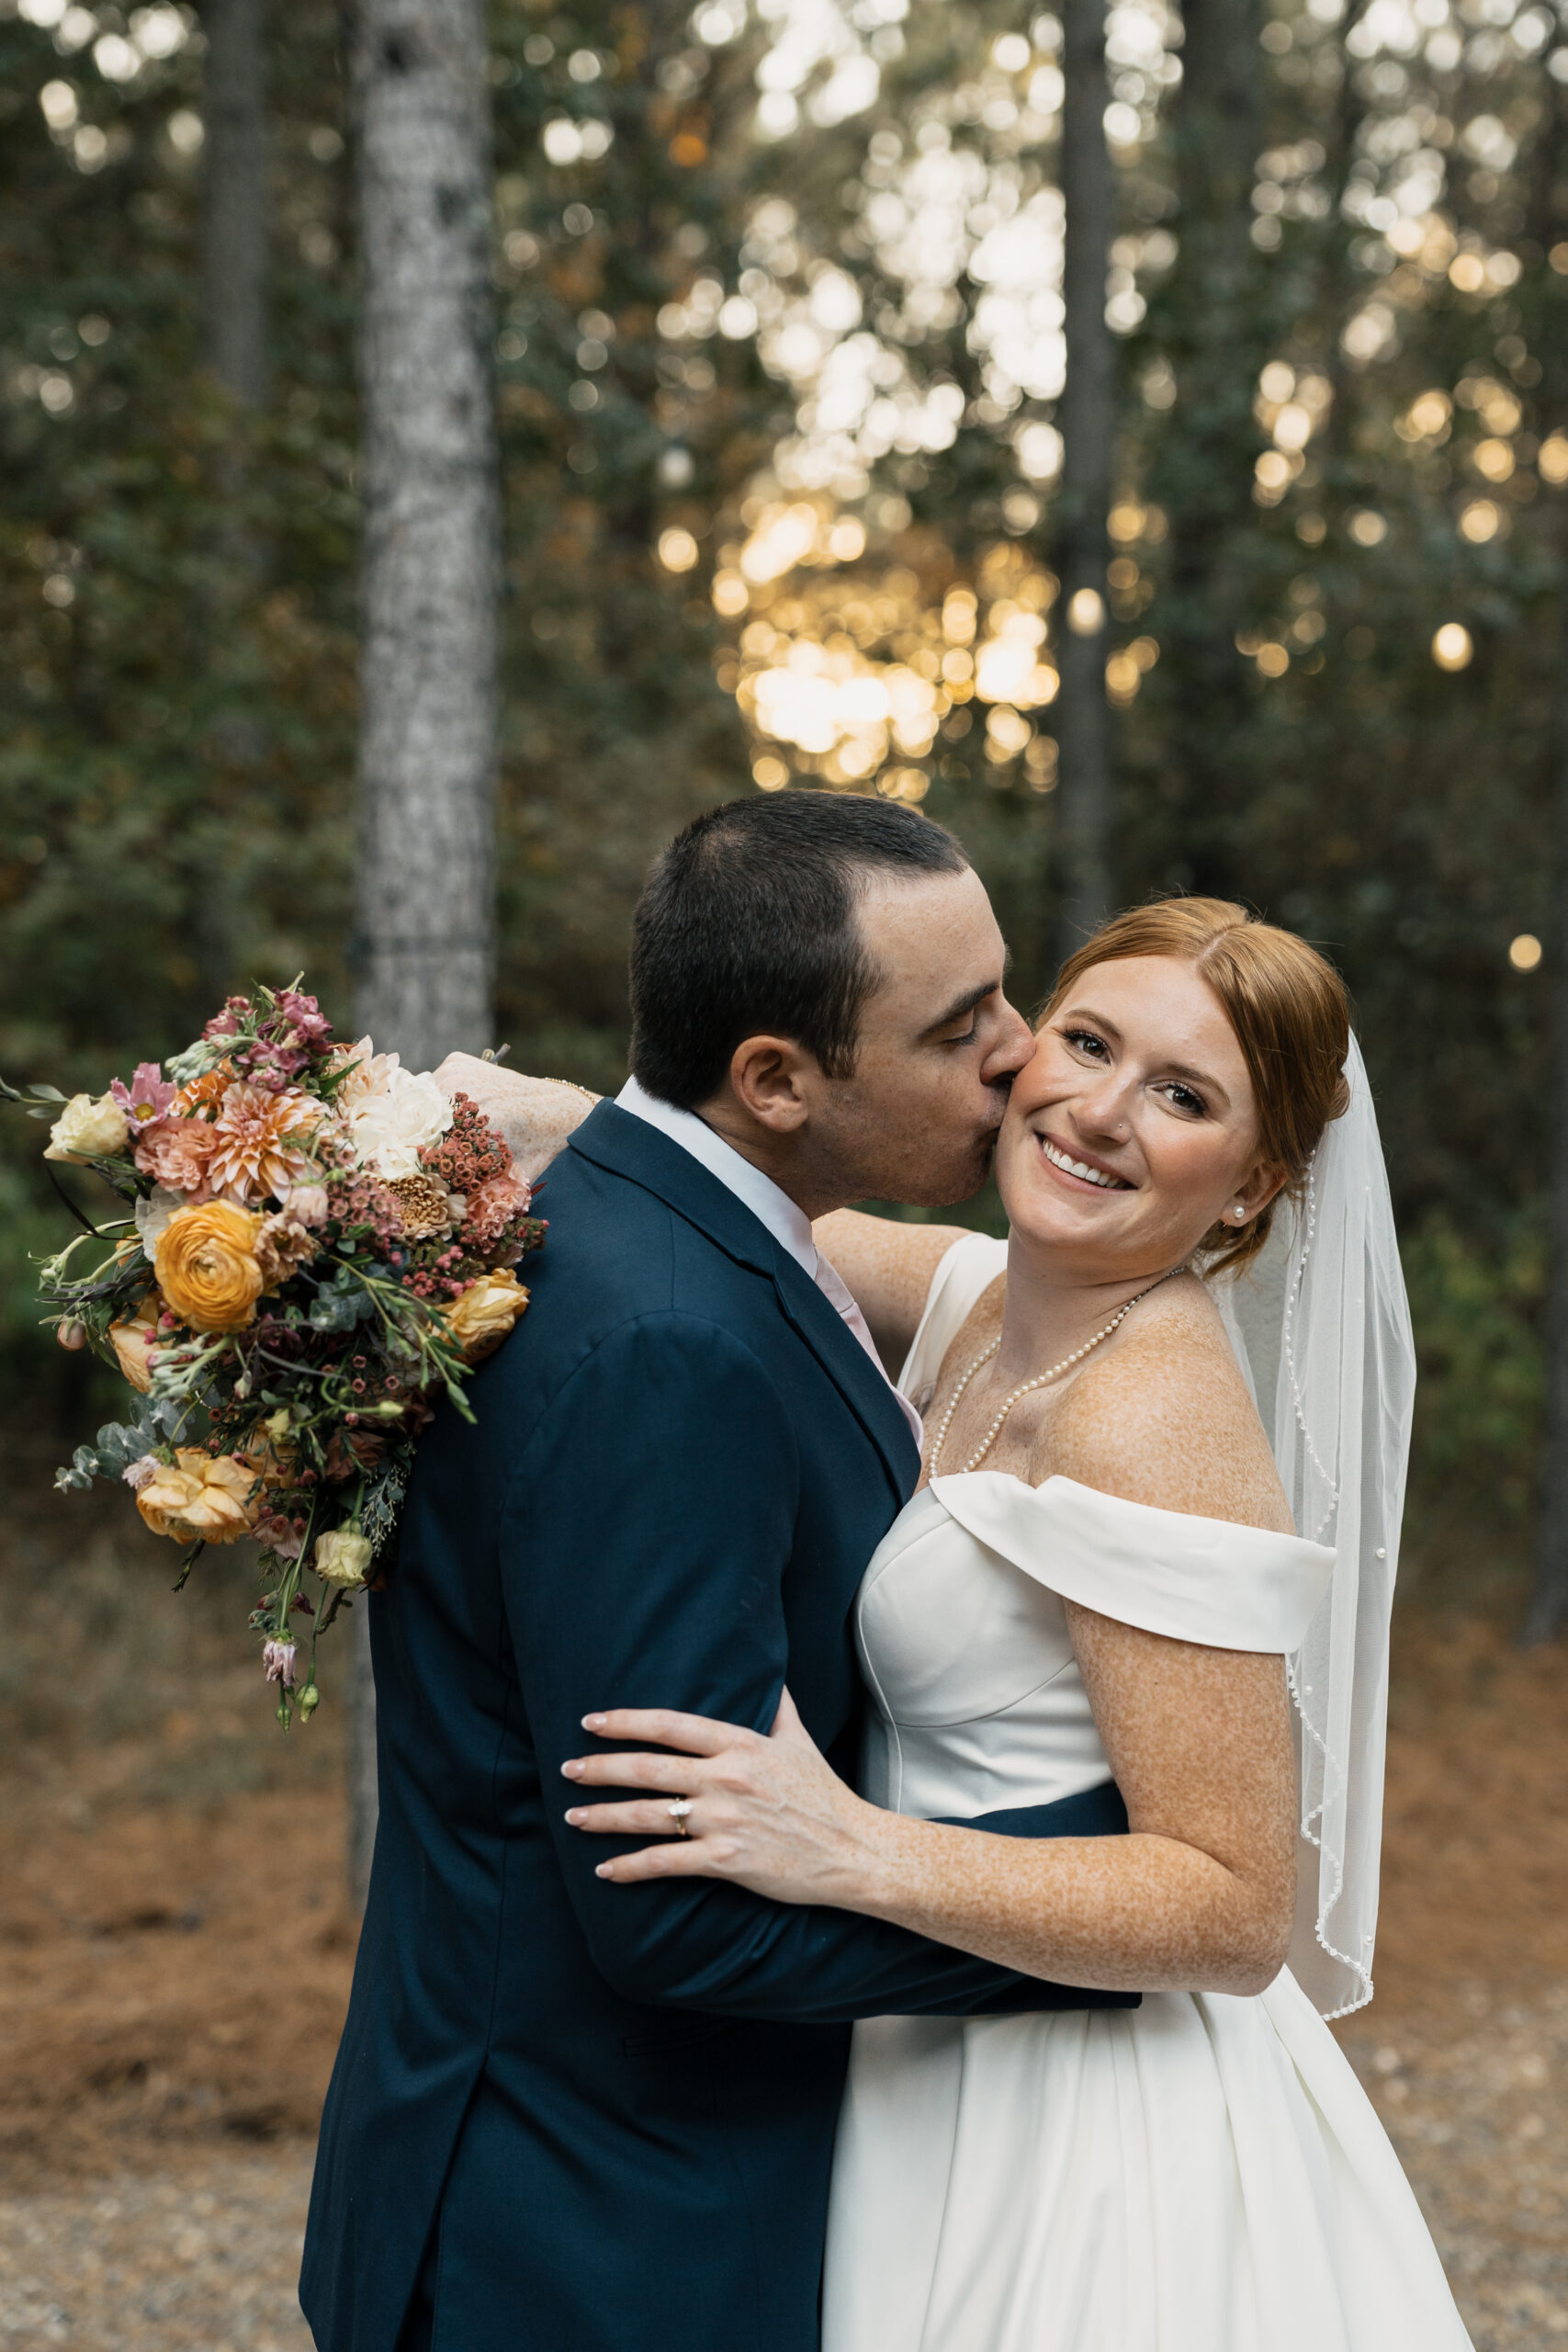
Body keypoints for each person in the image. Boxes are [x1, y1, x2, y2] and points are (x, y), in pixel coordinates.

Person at [556, 898, 1475, 2351]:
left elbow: (1235, 1912)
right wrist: (444, 1114)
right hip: (925, 2050)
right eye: (1090, 1042)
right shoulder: (991, 1299)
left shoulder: (1151, 1414)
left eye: (1183, 1097)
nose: (1101, 1112)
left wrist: (849, 1846)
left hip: (1088, 2115)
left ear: (1250, 1188)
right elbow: (720, 1179)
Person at [299, 794, 1139, 2352]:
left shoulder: (647, 1208)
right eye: (963, 1031)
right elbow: (675, 1911)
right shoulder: (666, 1341)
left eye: (1008, 995)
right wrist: (1112, 1915)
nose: (1023, 1053)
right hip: (587, 2244)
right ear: (775, 1078)